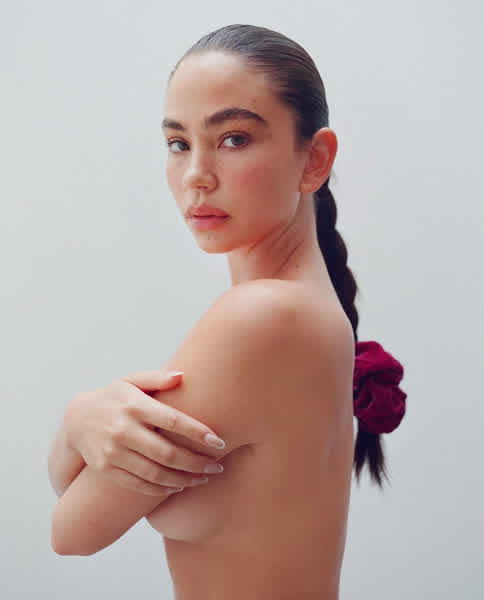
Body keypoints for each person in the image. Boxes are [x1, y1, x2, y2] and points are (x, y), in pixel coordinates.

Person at [48, 24, 406, 599]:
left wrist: (75, 420)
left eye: (234, 138)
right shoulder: (302, 311)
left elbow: (73, 530)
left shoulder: (264, 318)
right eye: (178, 143)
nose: (196, 175)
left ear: (315, 160)